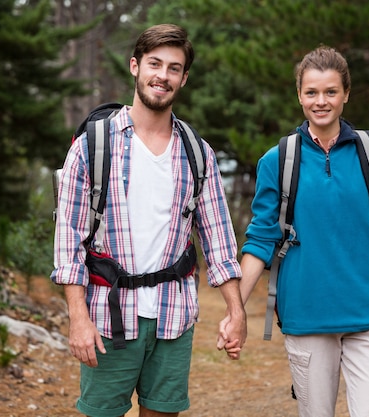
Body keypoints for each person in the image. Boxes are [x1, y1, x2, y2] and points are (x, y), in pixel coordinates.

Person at [51, 24, 247, 417]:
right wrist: (78, 318)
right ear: (135, 66)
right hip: (109, 316)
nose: (163, 75)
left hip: (174, 316)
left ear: (184, 79)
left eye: (174, 68)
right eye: (154, 64)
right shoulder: (94, 145)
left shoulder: (198, 153)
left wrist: (236, 311)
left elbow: (219, 240)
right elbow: (68, 243)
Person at [221, 45, 369, 417]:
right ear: (299, 95)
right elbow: (262, 237)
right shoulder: (278, 160)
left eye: (331, 91)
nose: (321, 101)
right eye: (311, 92)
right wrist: (238, 311)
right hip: (306, 316)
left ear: (346, 94)